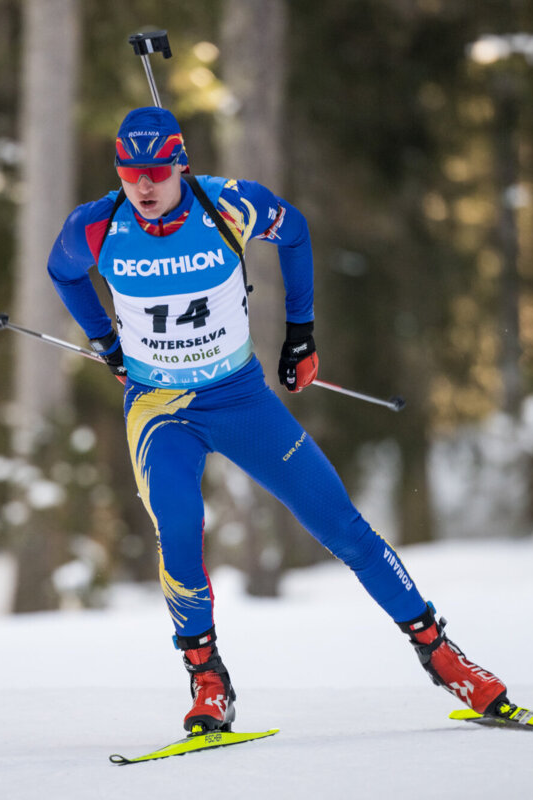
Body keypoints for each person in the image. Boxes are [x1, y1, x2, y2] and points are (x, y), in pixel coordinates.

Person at [47, 106, 508, 734]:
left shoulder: (230, 207)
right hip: (159, 410)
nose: (144, 185)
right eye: (131, 171)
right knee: (180, 528)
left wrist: (300, 334)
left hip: (239, 399)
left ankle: (443, 655)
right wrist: (106, 342)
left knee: (341, 526)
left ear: (181, 161)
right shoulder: (96, 226)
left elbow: (295, 233)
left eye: (157, 169)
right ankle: (208, 679)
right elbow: (63, 272)